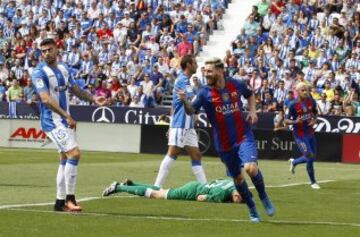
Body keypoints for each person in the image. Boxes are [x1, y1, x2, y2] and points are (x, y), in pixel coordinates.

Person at [177, 57, 275, 223]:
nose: (205, 74)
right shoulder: (204, 93)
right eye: (204, 71)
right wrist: (185, 101)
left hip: (243, 135)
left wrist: (253, 111)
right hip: (224, 144)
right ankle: (251, 207)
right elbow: (191, 111)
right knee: (238, 178)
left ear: (220, 71)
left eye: (209, 71)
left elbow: (250, 95)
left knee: (251, 168)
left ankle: (264, 196)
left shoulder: (236, 84)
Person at [31, 38, 107, 212]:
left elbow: (76, 90)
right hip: (52, 121)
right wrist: (66, 115)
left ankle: (59, 203)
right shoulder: (39, 72)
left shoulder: (64, 69)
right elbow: (45, 99)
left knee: (65, 159)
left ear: (57, 49)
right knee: (74, 153)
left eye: (49, 49)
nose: (46, 53)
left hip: (64, 120)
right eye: (43, 51)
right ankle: (70, 199)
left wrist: (94, 98)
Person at [154, 55, 207, 187]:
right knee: (173, 153)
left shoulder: (184, 80)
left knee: (196, 155)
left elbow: (174, 105)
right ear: (188, 64)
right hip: (181, 124)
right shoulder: (183, 80)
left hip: (187, 126)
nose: (196, 65)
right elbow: (192, 102)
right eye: (194, 63)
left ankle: (204, 187)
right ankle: (156, 187)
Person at [285, 82, 320, 189]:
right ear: (298, 92)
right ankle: (313, 182)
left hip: (310, 133)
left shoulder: (311, 101)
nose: (305, 92)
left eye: (306, 90)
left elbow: (315, 113)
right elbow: (285, 120)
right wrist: (295, 121)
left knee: (312, 157)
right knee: (309, 156)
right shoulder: (292, 105)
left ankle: (294, 162)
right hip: (300, 135)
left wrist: (314, 120)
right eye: (303, 90)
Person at [102, 178, 242, 204]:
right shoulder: (221, 195)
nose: (239, 200)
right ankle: (118, 187)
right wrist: (227, 202)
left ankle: (133, 184)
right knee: (157, 195)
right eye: (239, 198)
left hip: (195, 185)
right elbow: (200, 198)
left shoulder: (231, 181)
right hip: (191, 192)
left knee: (163, 190)